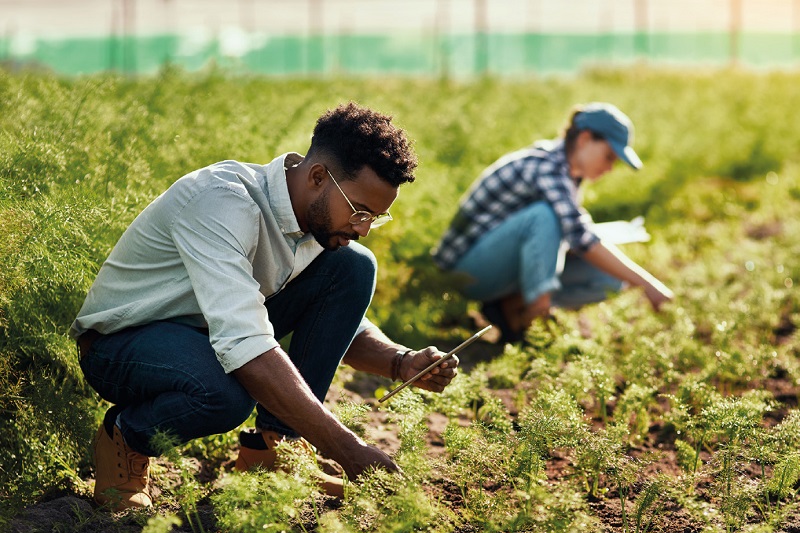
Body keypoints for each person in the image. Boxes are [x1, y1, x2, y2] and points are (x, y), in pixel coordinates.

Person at [70, 102, 459, 511]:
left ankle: (273, 453)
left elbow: (336, 326)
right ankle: (125, 436)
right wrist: (347, 449)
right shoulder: (223, 202)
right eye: (360, 211)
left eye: (375, 218)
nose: (363, 228)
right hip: (124, 344)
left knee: (352, 267)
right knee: (224, 394)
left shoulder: (313, 218)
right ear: (317, 177)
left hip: (204, 334)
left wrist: (401, 362)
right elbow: (245, 345)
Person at [432, 102, 674, 344]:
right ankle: (535, 318)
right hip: (465, 273)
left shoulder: (569, 175)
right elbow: (580, 237)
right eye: (609, 156)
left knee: (609, 278)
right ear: (584, 139)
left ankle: (510, 309)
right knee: (543, 216)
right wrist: (649, 285)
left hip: (498, 268)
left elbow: (572, 237)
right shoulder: (547, 167)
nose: (610, 167)